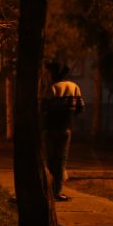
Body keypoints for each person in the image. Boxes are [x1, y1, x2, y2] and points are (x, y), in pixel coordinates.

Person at [42, 61, 84, 202]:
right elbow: (80, 108)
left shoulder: (51, 89)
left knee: (50, 161)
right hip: (65, 129)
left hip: (50, 129)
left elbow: (43, 109)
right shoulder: (74, 87)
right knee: (61, 162)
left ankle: (48, 190)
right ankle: (57, 191)